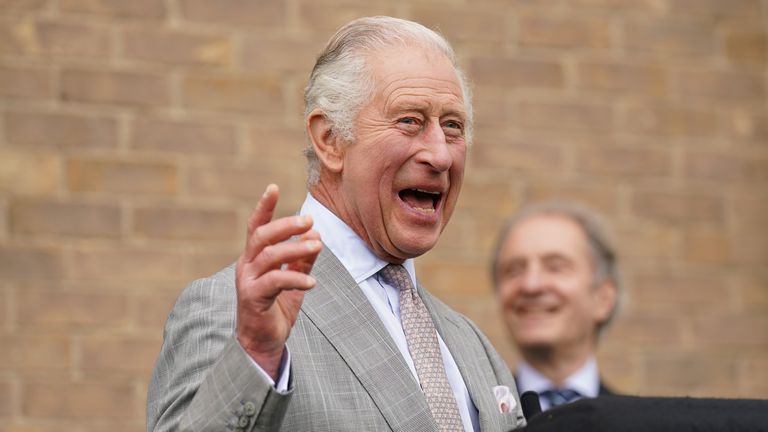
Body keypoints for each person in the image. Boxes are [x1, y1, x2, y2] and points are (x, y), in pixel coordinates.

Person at [147, 16, 525, 432]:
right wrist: (256, 354)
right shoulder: (232, 310)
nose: (440, 155)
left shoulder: (473, 346)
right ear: (329, 139)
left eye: (452, 126)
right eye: (409, 121)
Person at [490, 202, 621, 411]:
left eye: (555, 267)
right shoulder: (473, 421)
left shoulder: (638, 423)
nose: (530, 285)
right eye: (513, 270)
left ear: (603, 297)